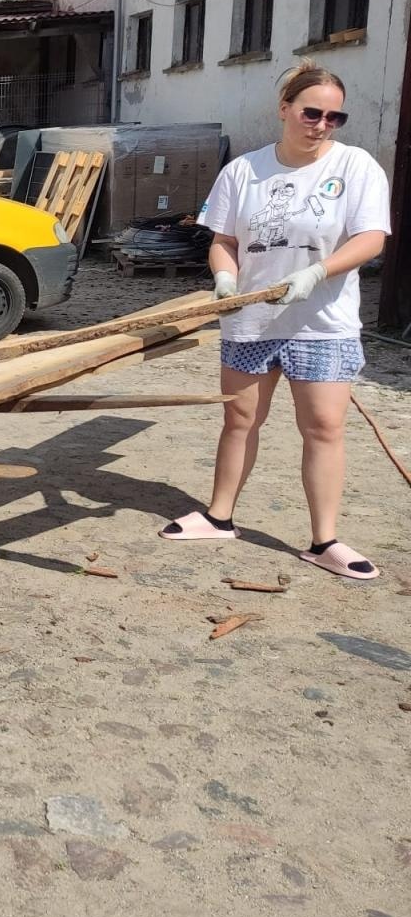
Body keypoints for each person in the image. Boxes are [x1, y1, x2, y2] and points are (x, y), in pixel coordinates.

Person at [159, 60, 390, 579]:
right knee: (240, 420)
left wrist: (318, 272)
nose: (322, 125)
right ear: (285, 109)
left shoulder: (356, 168)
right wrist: (224, 280)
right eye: (312, 112)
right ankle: (219, 517)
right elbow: (224, 241)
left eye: (335, 117)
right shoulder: (244, 171)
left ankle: (324, 538)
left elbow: (371, 238)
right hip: (252, 321)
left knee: (324, 427)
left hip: (322, 321)